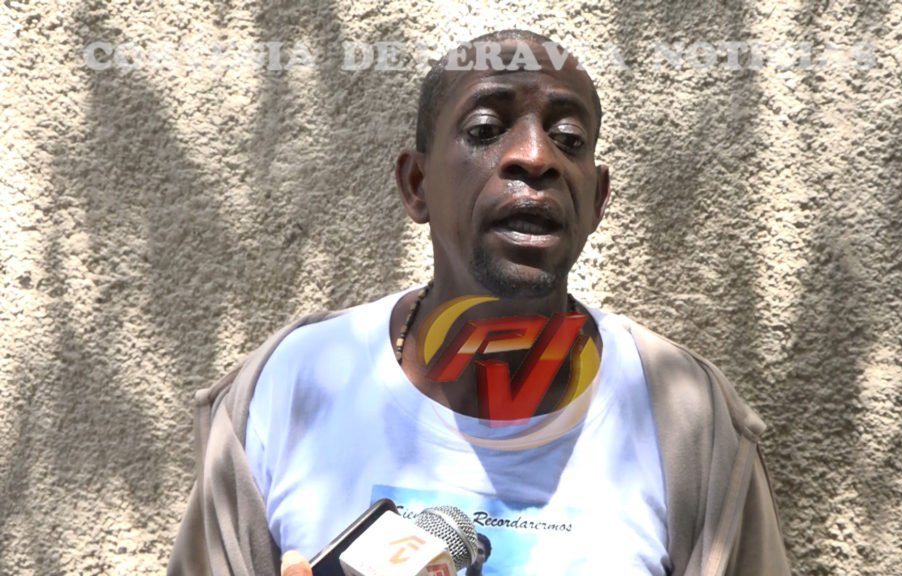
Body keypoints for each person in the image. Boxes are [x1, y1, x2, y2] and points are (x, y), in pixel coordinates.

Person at [169, 29, 790, 576]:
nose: (535, 157)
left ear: (597, 200)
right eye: (486, 131)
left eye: (569, 138)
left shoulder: (685, 419)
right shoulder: (291, 389)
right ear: (417, 184)